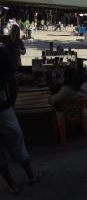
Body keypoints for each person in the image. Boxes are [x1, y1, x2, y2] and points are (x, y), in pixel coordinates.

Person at [0, 47, 42, 194]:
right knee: (17, 143)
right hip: (4, 110)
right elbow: (12, 83)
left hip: (5, 108)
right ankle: (31, 175)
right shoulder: (2, 52)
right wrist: (10, 103)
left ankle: (12, 185)